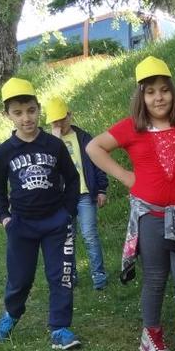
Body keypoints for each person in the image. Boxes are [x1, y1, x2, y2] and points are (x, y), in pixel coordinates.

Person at [86, 56, 175, 351]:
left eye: (164, 90)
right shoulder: (132, 128)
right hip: (150, 219)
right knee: (156, 277)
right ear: (141, 96)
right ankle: (152, 338)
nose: (158, 97)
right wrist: (126, 177)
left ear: (172, 92)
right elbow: (94, 147)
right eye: (150, 92)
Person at [0, 77, 81, 350]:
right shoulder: (5, 152)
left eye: (30, 110)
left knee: (61, 275)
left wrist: (68, 211)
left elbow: (72, 179)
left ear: (38, 108)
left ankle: (60, 328)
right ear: (7, 115)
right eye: (17, 113)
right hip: (22, 225)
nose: (26, 118)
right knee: (20, 278)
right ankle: (12, 313)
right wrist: (4, 216)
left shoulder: (54, 146)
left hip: (56, 222)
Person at [44, 97, 110, 290]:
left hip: (84, 194)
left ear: (69, 116)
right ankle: (70, 276)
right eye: (54, 121)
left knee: (90, 235)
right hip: (63, 199)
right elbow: (47, 169)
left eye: (61, 119)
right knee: (67, 238)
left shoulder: (83, 138)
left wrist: (101, 189)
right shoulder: (48, 143)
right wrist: (54, 143)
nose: (58, 124)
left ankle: (99, 276)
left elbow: (98, 163)